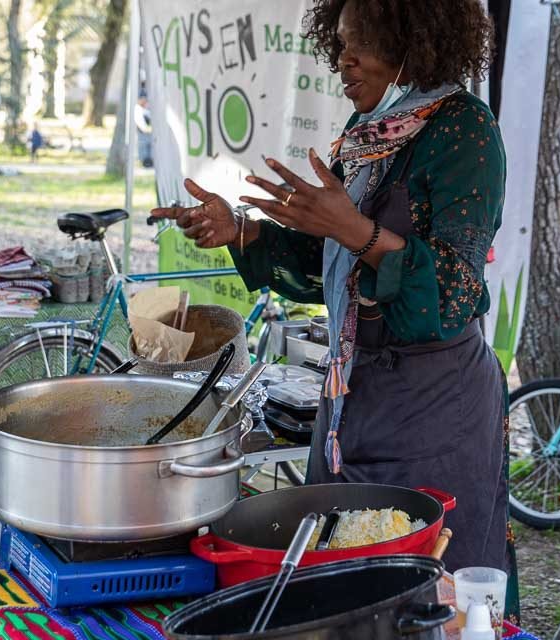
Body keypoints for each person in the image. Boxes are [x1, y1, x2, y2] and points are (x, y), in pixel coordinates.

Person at [153, 0, 518, 620]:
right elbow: (333, 262)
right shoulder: (368, 132)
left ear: (414, 38)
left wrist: (359, 233)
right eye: (340, 43)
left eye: (364, 41)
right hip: (353, 394)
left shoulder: (465, 131)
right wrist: (242, 231)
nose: (343, 59)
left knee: (427, 597)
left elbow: (456, 292)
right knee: (341, 585)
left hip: (433, 409)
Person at [133, 90, 153, 168]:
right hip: (143, 133)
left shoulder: (145, 109)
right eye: (143, 99)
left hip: (148, 132)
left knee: (148, 147)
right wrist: (147, 129)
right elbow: (141, 123)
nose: (145, 101)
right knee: (144, 148)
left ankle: (148, 161)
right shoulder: (138, 109)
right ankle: (145, 161)